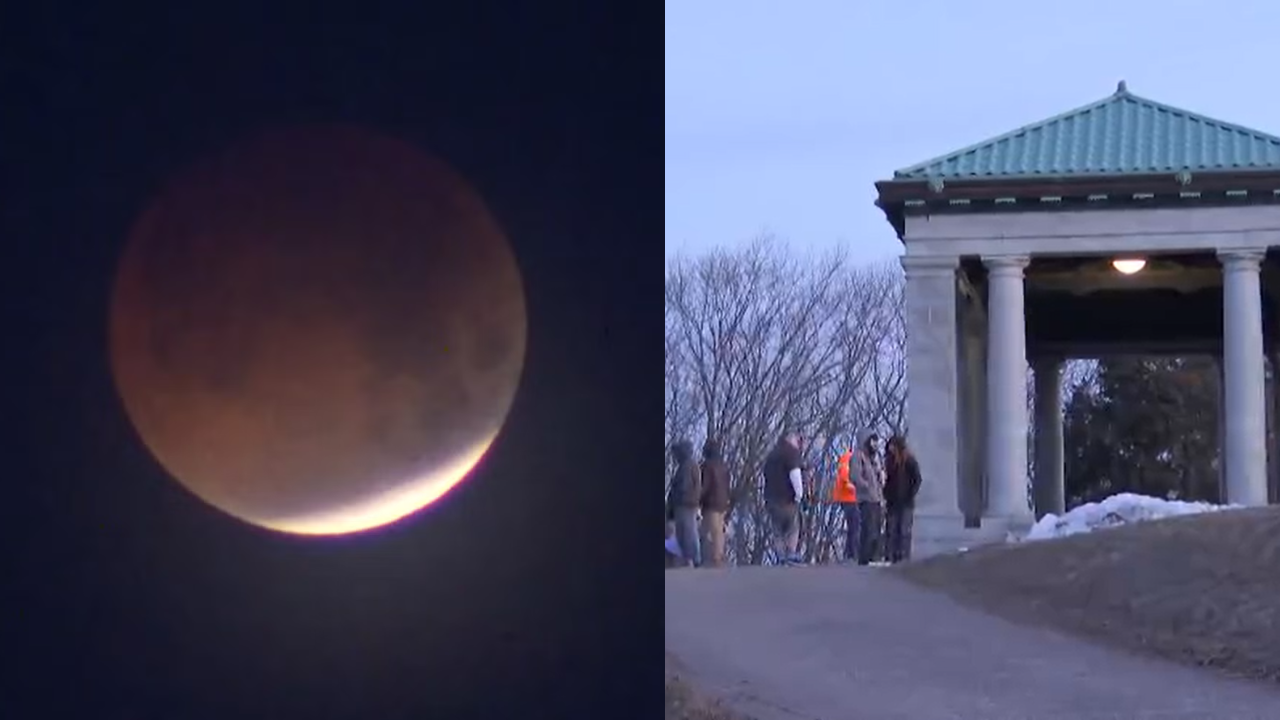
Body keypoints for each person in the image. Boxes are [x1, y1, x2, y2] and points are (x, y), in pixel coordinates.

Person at [761, 431, 805, 566]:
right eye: (798, 441)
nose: (800, 445)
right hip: (787, 499)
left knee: (777, 531)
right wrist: (799, 495)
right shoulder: (791, 454)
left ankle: (780, 557)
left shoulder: (771, 455)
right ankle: (791, 554)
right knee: (793, 527)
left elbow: (765, 476)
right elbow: (795, 475)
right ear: (792, 440)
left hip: (771, 499)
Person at [884, 434, 923, 563]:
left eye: (893, 447)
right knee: (892, 531)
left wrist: (910, 493)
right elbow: (887, 481)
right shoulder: (890, 461)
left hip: (906, 502)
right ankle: (892, 557)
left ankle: (904, 558)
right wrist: (886, 494)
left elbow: (917, 479)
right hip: (893, 502)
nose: (891, 449)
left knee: (904, 531)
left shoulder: (909, 461)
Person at [851, 429, 885, 566]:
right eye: (873, 441)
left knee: (876, 528)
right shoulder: (858, 456)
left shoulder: (872, 458)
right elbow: (855, 476)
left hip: (876, 498)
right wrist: (866, 486)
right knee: (868, 529)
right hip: (866, 498)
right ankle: (865, 558)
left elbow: (877, 475)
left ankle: (874, 556)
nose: (875, 444)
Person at [665, 439, 702, 567]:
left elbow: (683, 487)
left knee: (688, 532)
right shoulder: (687, 465)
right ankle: (688, 559)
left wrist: (674, 499)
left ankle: (693, 559)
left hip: (685, 504)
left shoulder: (688, 466)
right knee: (683, 533)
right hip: (685, 504)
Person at [699, 438, 731, 568]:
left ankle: (716, 558)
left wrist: (698, 499)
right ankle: (719, 555)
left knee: (713, 530)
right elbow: (728, 484)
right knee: (718, 530)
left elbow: (705, 485)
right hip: (723, 501)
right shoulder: (723, 466)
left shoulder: (706, 466)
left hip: (711, 502)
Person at [830, 444, 859, 563]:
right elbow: (845, 480)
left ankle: (850, 554)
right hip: (849, 499)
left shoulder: (849, 459)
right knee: (854, 527)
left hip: (848, 499)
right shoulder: (849, 459)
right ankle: (852, 555)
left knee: (854, 527)